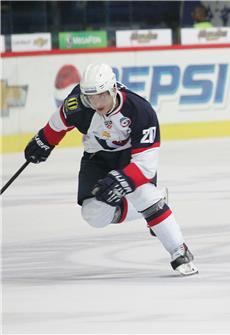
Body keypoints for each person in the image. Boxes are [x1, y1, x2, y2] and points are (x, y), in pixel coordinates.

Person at [24, 63, 199, 276]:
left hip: (130, 157)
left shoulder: (140, 110)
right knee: (94, 215)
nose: (97, 103)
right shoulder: (78, 105)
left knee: (144, 195)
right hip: (97, 158)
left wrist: (120, 181)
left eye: (102, 96)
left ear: (113, 89)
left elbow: (146, 165)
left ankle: (178, 250)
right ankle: (156, 202)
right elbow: (58, 122)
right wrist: (44, 141)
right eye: (91, 98)